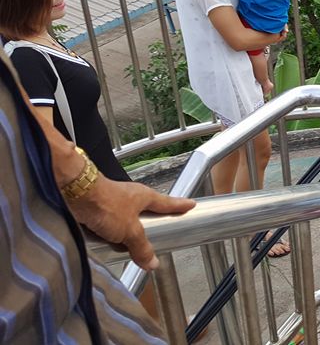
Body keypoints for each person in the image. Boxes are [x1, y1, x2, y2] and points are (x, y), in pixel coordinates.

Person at [0, 47, 195, 343]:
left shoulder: (43, 45)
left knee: (148, 268)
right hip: (37, 307)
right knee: (144, 267)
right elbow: (41, 144)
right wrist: (88, 190)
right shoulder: (27, 57)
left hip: (103, 182)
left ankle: (173, 323)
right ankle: (172, 325)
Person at [163, 0, 290, 257]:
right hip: (228, 71)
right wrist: (276, 34)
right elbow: (235, 37)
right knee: (258, 149)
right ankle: (250, 229)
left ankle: (218, 216)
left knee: (233, 146)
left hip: (227, 68)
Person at [0, 0, 129, 183]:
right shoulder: (26, 60)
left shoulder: (39, 37)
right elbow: (46, 157)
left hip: (105, 183)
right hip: (93, 200)